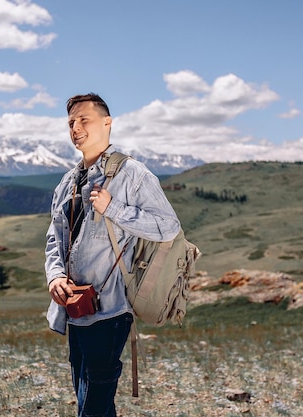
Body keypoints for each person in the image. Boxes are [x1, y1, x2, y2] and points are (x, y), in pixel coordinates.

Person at [45, 93, 181, 416]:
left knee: (93, 407)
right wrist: (54, 277)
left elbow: (169, 226)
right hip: (73, 309)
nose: (76, 128)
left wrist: (114, 209)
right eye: (71, 123)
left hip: (110, 312)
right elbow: (54, 236)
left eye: (84, 120)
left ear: (107, 123)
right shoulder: (67, 182)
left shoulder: (134, 175)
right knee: (92, 404)